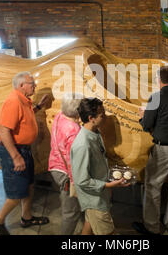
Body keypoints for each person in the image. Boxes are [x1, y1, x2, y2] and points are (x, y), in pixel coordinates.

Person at [132, 66, 168, 235]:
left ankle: (151, 227)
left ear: (159, 80)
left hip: (163, 150)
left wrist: (143, 114)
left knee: (152, 186)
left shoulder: (156, 97)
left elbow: (146, 124)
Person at [0, 71, 50, 235]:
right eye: (32, 83)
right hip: (14, 152)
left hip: (24, 150)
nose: (35, 86)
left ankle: (26, 217)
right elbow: (4, 131)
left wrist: (39, 106)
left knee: (29, 186)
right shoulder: (14, 101)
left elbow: (24, 117)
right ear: (21, 85)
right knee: (16, 194)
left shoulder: (25, 100)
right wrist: (16, 157)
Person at [71, 97, 129, 235]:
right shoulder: (83, 144)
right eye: (102, 115)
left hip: (98, 195)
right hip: (94, 200)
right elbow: (82, 180)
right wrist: (110, 185)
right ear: (91, 118)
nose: (105, 117)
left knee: (89, 225)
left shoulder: (95, 133)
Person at [48, 93, 83, 235]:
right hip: (66, 174)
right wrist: (75, 183)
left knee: (69, 205)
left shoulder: (60, 116)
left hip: (54, 166)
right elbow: (72, 161)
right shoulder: (74, 131)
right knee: (71, 212)